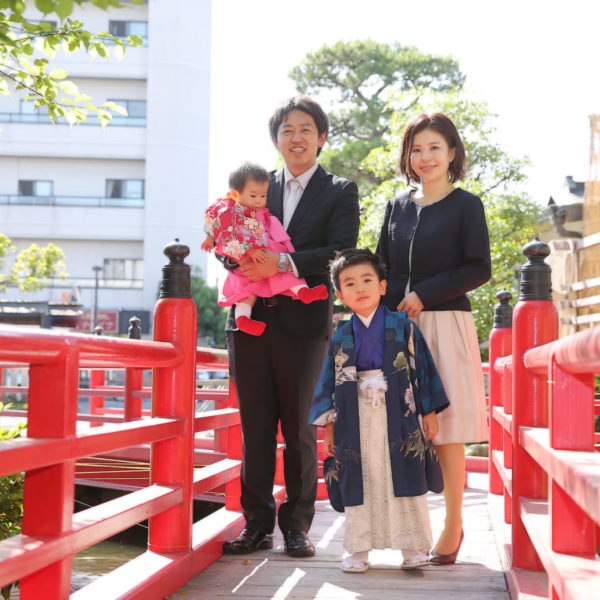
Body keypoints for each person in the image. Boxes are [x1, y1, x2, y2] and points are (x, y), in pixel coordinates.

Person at [222, 96, 360, 557]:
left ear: (321, 138)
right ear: (276, 139)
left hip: (303, 324)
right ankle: (256, 522)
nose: (295, 138)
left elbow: (340, 252)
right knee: (255, 427)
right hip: (250, 324)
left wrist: (280, 262)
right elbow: (228, 234)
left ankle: (297, 526)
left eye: (305, 129)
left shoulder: (340, 190)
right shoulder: (257, 185)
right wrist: (240, 259)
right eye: (286, 130)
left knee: (300, 429)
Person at [376, 112, 491, 565]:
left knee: (445, 428)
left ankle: (453, 523)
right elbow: (382, 266)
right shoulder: (396, 206)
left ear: (452, 153)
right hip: (398, 329)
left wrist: (425, 293)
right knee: (402, 428)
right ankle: (409, 529)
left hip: (444, 323)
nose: (424, 157)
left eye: (434, 148)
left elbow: (478, 268)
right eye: (416, 149)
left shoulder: (467, 205)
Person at [309, 248, 449, 572]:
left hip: (399, 411)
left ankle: (413, 546)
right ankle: (358, 549)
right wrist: (329, 427)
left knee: (404, 476)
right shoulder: (341, 336)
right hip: (353, 415)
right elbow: (328, 383)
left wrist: (428, 411)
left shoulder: (404, 327)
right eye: (350, 283)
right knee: (362, 478)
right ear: (340, 294)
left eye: (367, 280)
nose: (360, 288)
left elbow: (421, 369)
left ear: (383, 286)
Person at [202, 162, 328, 336]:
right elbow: (224, 234)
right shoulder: (230, 213)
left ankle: (304, 292)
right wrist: (214, 240)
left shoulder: (258, 208)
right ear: (235, 194)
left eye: (263, 196)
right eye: (253, 196)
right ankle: (242, 319)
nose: (259, 201)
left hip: (268, 256)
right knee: (246, 292)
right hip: (244, 261)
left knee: (284, 272)